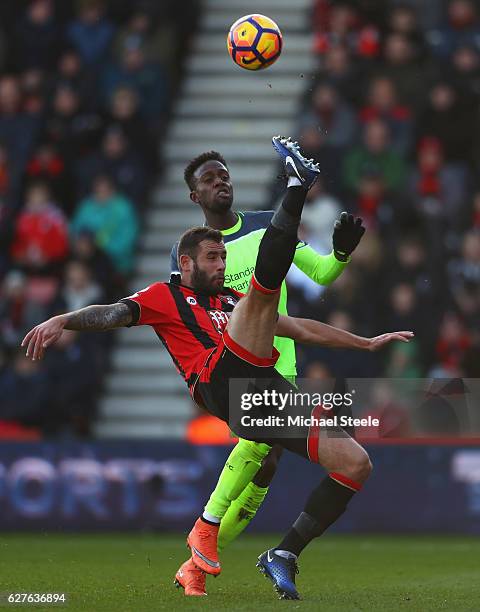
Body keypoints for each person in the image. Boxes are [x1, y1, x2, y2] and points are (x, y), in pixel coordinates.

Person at [22, 137, 413, 600]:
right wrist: (62, 318)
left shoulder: (232, 297)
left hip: (268, 383)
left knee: (353, 463)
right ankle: (297, 185)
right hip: (220, 378)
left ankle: (275, 555)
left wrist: (366, 342)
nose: (221, 263)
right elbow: (111, 313)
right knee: (262, 294)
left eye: (222, 256)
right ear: (185, 263)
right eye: (213, 258)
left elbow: (301, 327)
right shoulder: (167, 294)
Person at [169, 145, 355, 578]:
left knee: (266, 463)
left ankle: (199, 557)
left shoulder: (268, 227)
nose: (221, 182)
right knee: (257, 447)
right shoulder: (192, 251)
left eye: (224, 175)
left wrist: (341, 255)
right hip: (229, 367)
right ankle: (203, 542)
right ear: (195, 197)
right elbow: (185, 313)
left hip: (279, 364)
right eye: (209, 179)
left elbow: (323, 274)